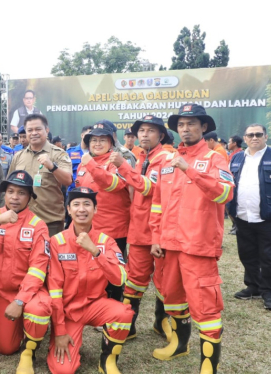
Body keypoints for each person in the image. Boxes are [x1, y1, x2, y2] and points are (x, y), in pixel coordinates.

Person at [150, 103, 233, 373]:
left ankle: (209, 366)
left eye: (191, 124)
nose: (185, 129)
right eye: (181, 125)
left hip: (198, 245)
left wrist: (190, 170)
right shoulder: (165, 161)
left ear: (204, 127)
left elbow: (224, 195)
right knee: (172, 297)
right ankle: (180, 345)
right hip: (169, 244)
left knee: (205, 309)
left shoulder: (215, 159)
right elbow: (157, 204)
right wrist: (156, 237)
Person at [0, 170, 51, 373]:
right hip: (3, 294)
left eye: (21, 193)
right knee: (5, 348)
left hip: (30, 292)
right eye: (11, 191)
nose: (15, 197)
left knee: (38, 311)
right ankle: (18, 328)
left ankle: (29, 349)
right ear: (3, 194)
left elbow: (38, 267)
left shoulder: (37, 225)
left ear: (30, 198)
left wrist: (20, 300)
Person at [47, 187, 133, 374]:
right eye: (76, 204)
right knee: (64, 370)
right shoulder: (57, 241)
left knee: (123, 313)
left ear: (96, 209)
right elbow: (54, 289)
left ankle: (108, 360)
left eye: (87, 204)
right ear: (68, 210)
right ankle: (59, 340)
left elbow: (120, 279)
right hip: (68, 311)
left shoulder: (107, 241)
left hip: (96, 306)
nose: (82, 209)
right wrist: (60, 331)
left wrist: (95, 252)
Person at [113, 115, 173, 341]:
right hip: (139, 229)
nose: (145, 134)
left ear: (161, 135)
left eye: (150, 130)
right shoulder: (140, 157)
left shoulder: (166, 158)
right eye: (141, 131)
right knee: (134, 278)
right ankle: (129, 326)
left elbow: (151, 189)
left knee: (164, 279)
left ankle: (161, 322)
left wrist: (124, 168)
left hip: (160, 230)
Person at [228, 124, 271, 312]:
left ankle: (270, 292)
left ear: (266, 137)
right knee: (247, 255)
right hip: (243, 218)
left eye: (258, 134)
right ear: (244, 139)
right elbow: (229, 186)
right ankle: (253, 286)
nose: (254, 138)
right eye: (250, 135)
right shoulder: (236, 159)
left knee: (269, 258)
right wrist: (231, 213)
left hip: (269, 219)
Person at [76, 123, 131, 301]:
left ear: (111, 142)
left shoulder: (117, 162)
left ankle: (114, 305)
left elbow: (114, 185)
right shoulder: (83, 164)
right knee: (92, 266)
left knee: (113, 268)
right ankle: (96, 302)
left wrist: (92, 165)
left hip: (114, 228)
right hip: (90, 227)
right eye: (93, 140)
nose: (97, 144)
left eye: (102, 140)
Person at [8, 114, 73, 236]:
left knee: (49, 254)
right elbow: (9, 187)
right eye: (30, 130)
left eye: (38, 129)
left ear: (46, 130)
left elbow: (68, 180)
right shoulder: (18, 156)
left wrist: (52, 166)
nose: (34, 133)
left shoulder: (58, 154)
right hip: (21, 219)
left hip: (49, 221)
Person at [66, 126, 93, 192]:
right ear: (82, 135)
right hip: (73, 191)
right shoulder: (70, 152)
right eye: (88, 134)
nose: (89, 138)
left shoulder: (95, 153)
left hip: (90, 191)